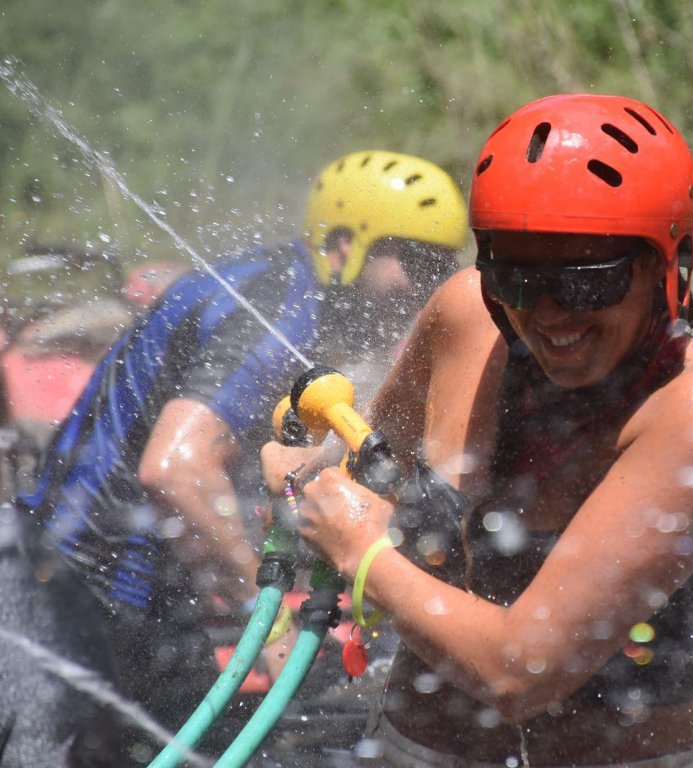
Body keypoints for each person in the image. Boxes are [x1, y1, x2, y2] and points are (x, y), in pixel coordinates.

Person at [263, 95, 693, 767]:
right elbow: (365, 473)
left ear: (667, 266)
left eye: (588, 281)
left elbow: (521, 673)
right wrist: (310, 475)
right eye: (516, 277)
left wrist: (362, 551)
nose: (550, 314)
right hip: (410, 750)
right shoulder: (468, 314)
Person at [2, 150, 468, 767]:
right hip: (63, 598)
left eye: (441, 264)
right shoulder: (281, 310)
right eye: (411, 259)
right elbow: (175, 468)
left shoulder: (294, 295)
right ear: (342, 244)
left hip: (135, 605)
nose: (427, 285)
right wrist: (269, 623)